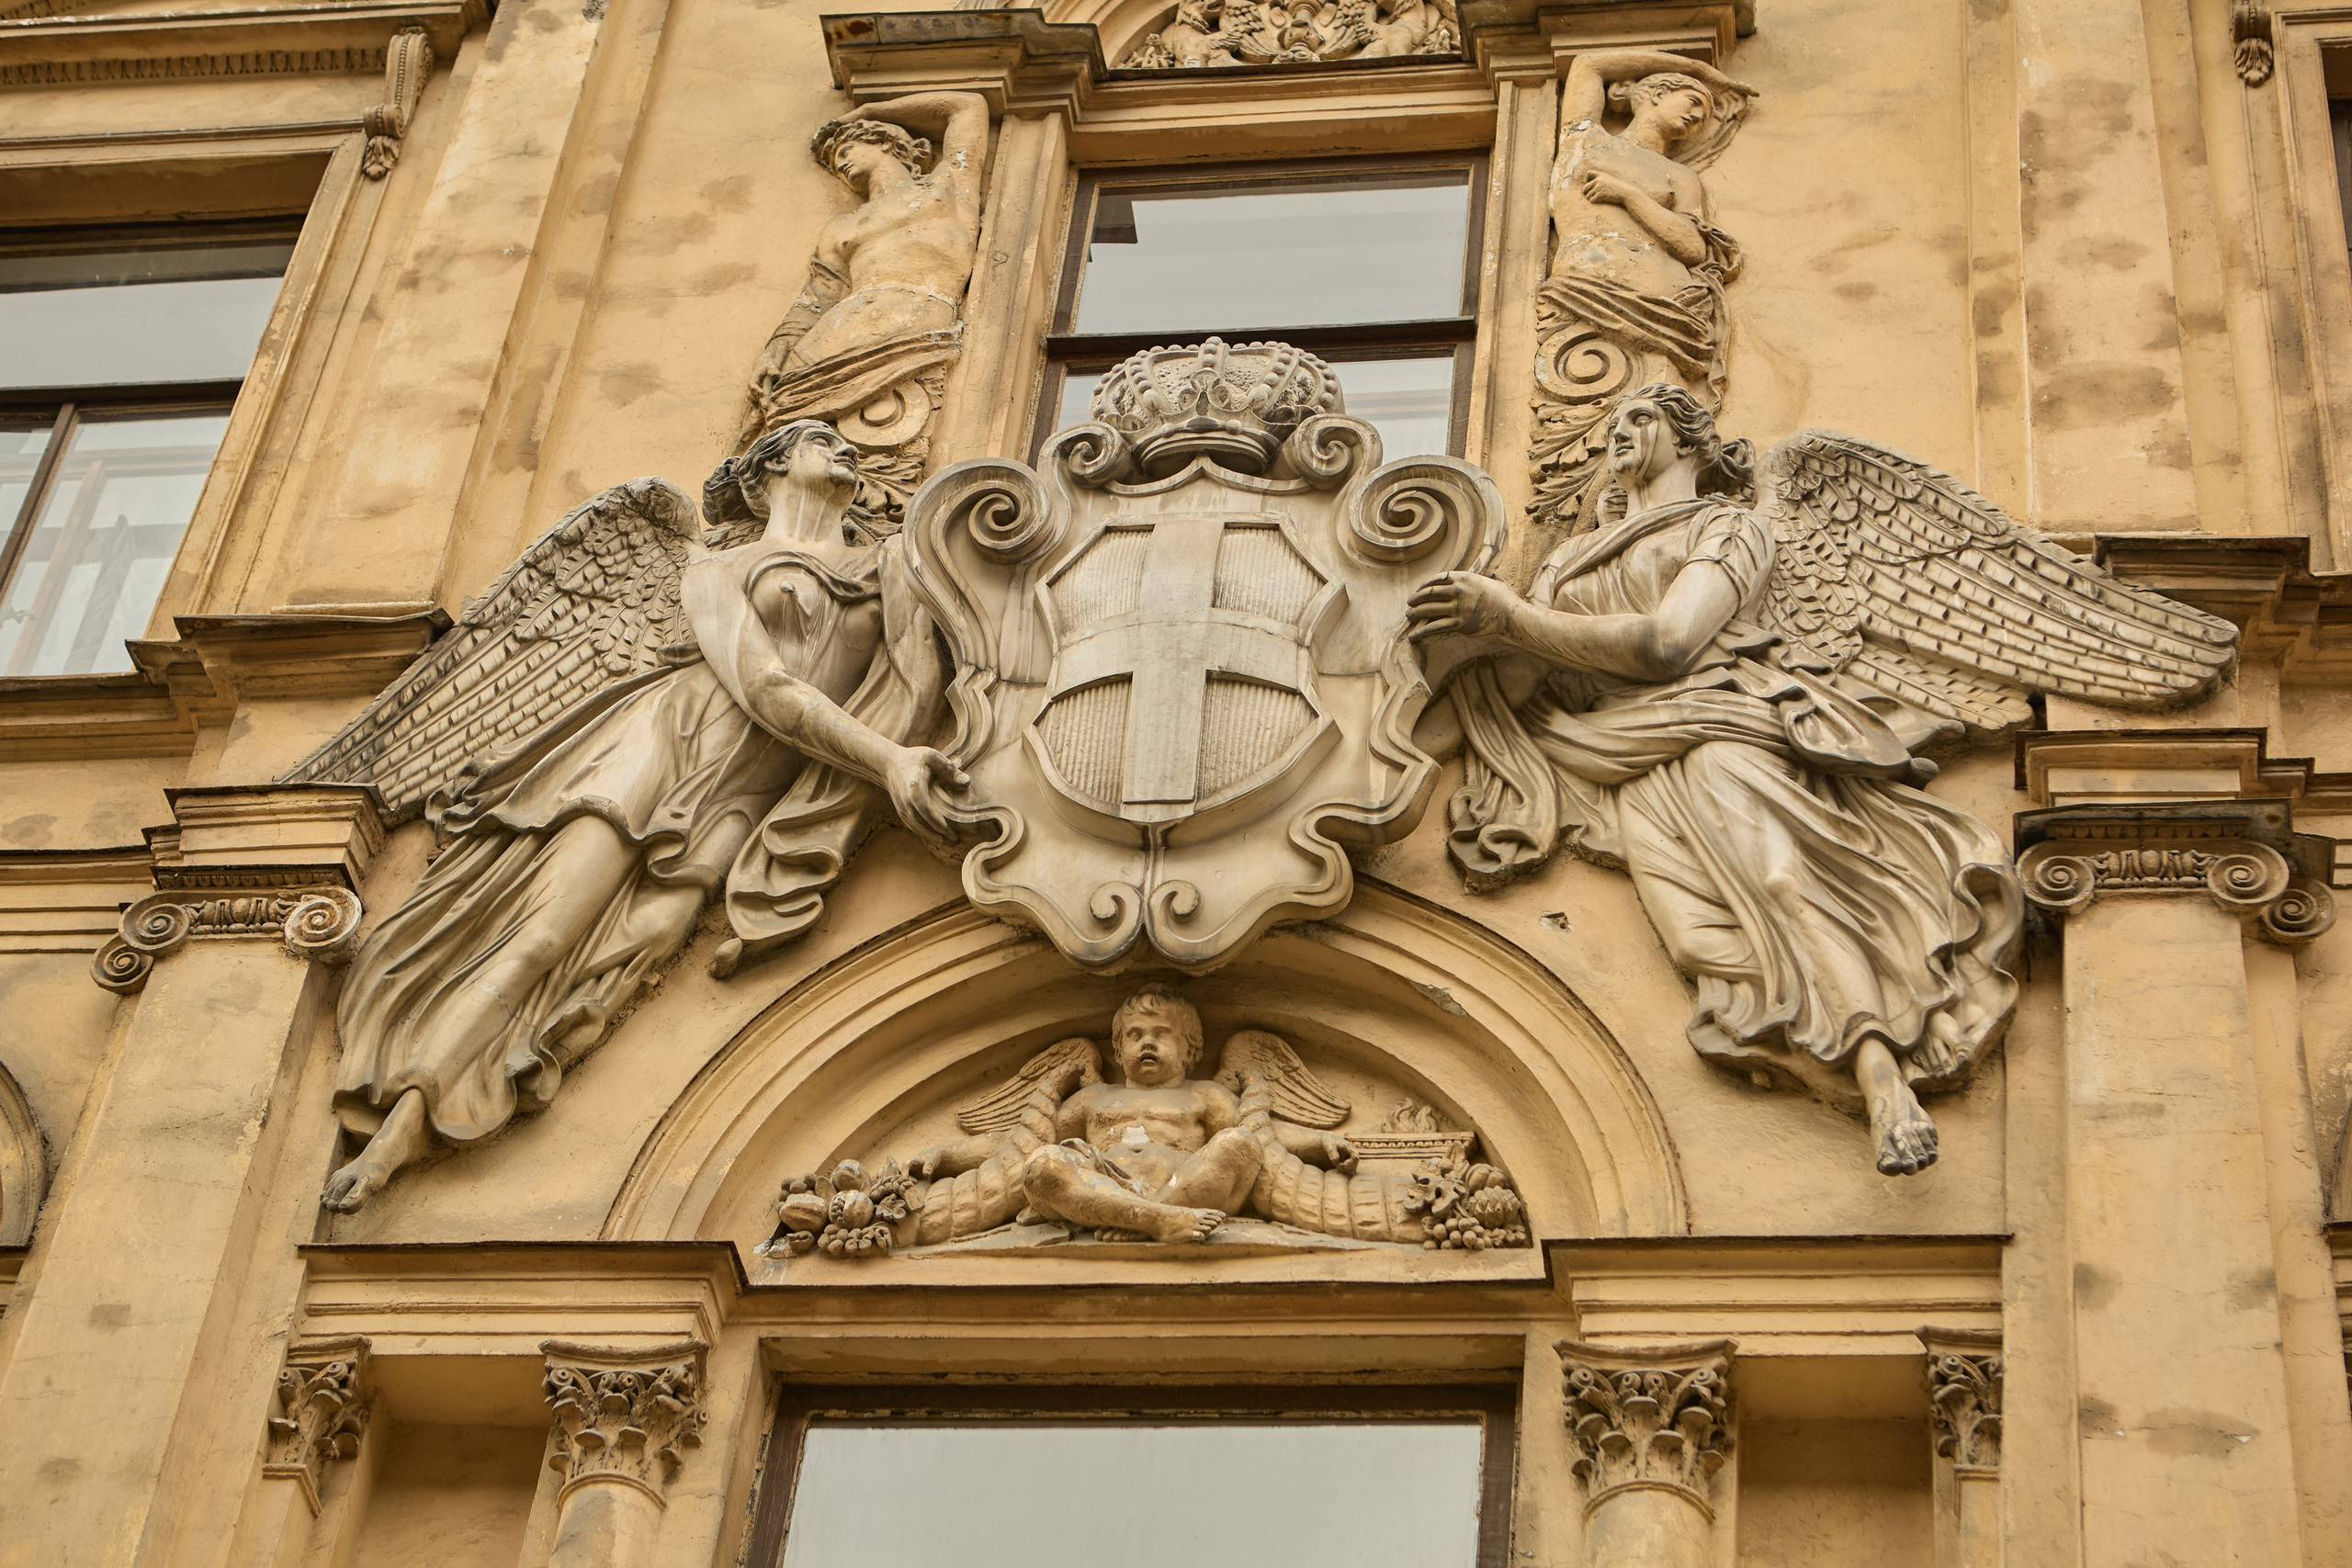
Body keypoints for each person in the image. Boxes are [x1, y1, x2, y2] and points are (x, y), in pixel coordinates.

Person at [323, 423, 961, 1212]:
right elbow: (765, 686)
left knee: (642, 943)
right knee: (545, 933)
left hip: (745, 794)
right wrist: (887, 759)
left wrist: (900, 750)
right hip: (660, 745)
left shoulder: (896, 565)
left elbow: (914, 684)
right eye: (819, 439)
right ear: (769, 469)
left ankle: (501, 1068)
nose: (846, 450)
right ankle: (399, 1130)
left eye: (846, 444)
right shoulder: (715, 568)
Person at [1408, 386, 2019, 1176]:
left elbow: (1670, 643)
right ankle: (1821, 1052)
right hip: (1628, 762)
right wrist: (1397, 761)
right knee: (1699, 940)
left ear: (1690, 440)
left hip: (1717, 729)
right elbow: (1513, 681)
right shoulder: (1566, 560)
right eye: (1613, 424)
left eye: (1641, 419)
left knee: (1780, 882)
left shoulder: (1728, 528)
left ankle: (1881, 1076)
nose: (1620, 432)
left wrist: (1507, 618)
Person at [908, 986, 1358, 1244]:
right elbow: (1017, 1146)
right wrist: (945, 1154)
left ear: (1191, 1049)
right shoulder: (1093, 1099)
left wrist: (1319, 1143)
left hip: (1184, 1187)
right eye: (1136, 1035)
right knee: (1043, 1164)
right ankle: (1154, 1220)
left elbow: (1263, 1142)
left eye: (1162, 1035)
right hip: (1109, 1185)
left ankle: (1145, 1217)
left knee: (1239, 1144)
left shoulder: (1206, 1095)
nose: (1147, 1043)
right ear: (1118, 1048)